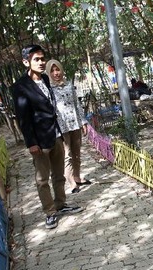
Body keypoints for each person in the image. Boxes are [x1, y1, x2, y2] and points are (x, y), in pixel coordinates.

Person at [11, 44, 83, 229]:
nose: (42, 62)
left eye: (43, 58)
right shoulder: (20, 87)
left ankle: (61, 204)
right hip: (39, 140)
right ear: (26, 62)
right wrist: (31, 143)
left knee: (58, 174)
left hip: (56, 134)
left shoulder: (45, 78)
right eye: (37, 59)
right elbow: (23, 118)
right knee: (42, 179)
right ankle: (49, 212)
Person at [45, 59, 91, 194]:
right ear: (48, 72)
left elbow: (77, 104)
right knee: (67, 154)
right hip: (62, 126)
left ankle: (77, 176)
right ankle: (71, 182)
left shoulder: (69, 85)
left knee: (77, 152)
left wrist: (83, 121)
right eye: (52, 70)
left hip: (75, 123)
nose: (56, 73)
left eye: (57, 69)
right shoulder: (49, 90)